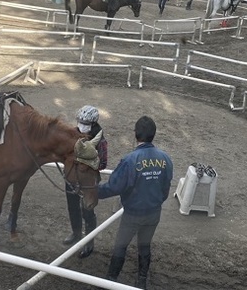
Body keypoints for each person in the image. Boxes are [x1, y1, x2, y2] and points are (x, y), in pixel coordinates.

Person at [98, 116, 173, 289]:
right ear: (153, 134)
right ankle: (141, 280)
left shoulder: (130, 160)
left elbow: (113, 187)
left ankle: (111, 279)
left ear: (135, 135)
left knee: (120, 245)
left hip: (132, 214)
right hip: (154, 213)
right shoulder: (165, 159)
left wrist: (94, 191)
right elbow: (166, 189)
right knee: (145, 245)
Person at [62, 105, 108, 258]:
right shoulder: (73, 134)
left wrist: (84, 162)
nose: (82, 126)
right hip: (72, 179)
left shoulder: (100, 141)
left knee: (88, 212)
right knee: (72, 208)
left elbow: (103, 163)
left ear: (93, 124)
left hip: (87, 183)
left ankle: (89, 242)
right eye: (80, 122)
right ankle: (76, 234)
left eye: (86, 124)